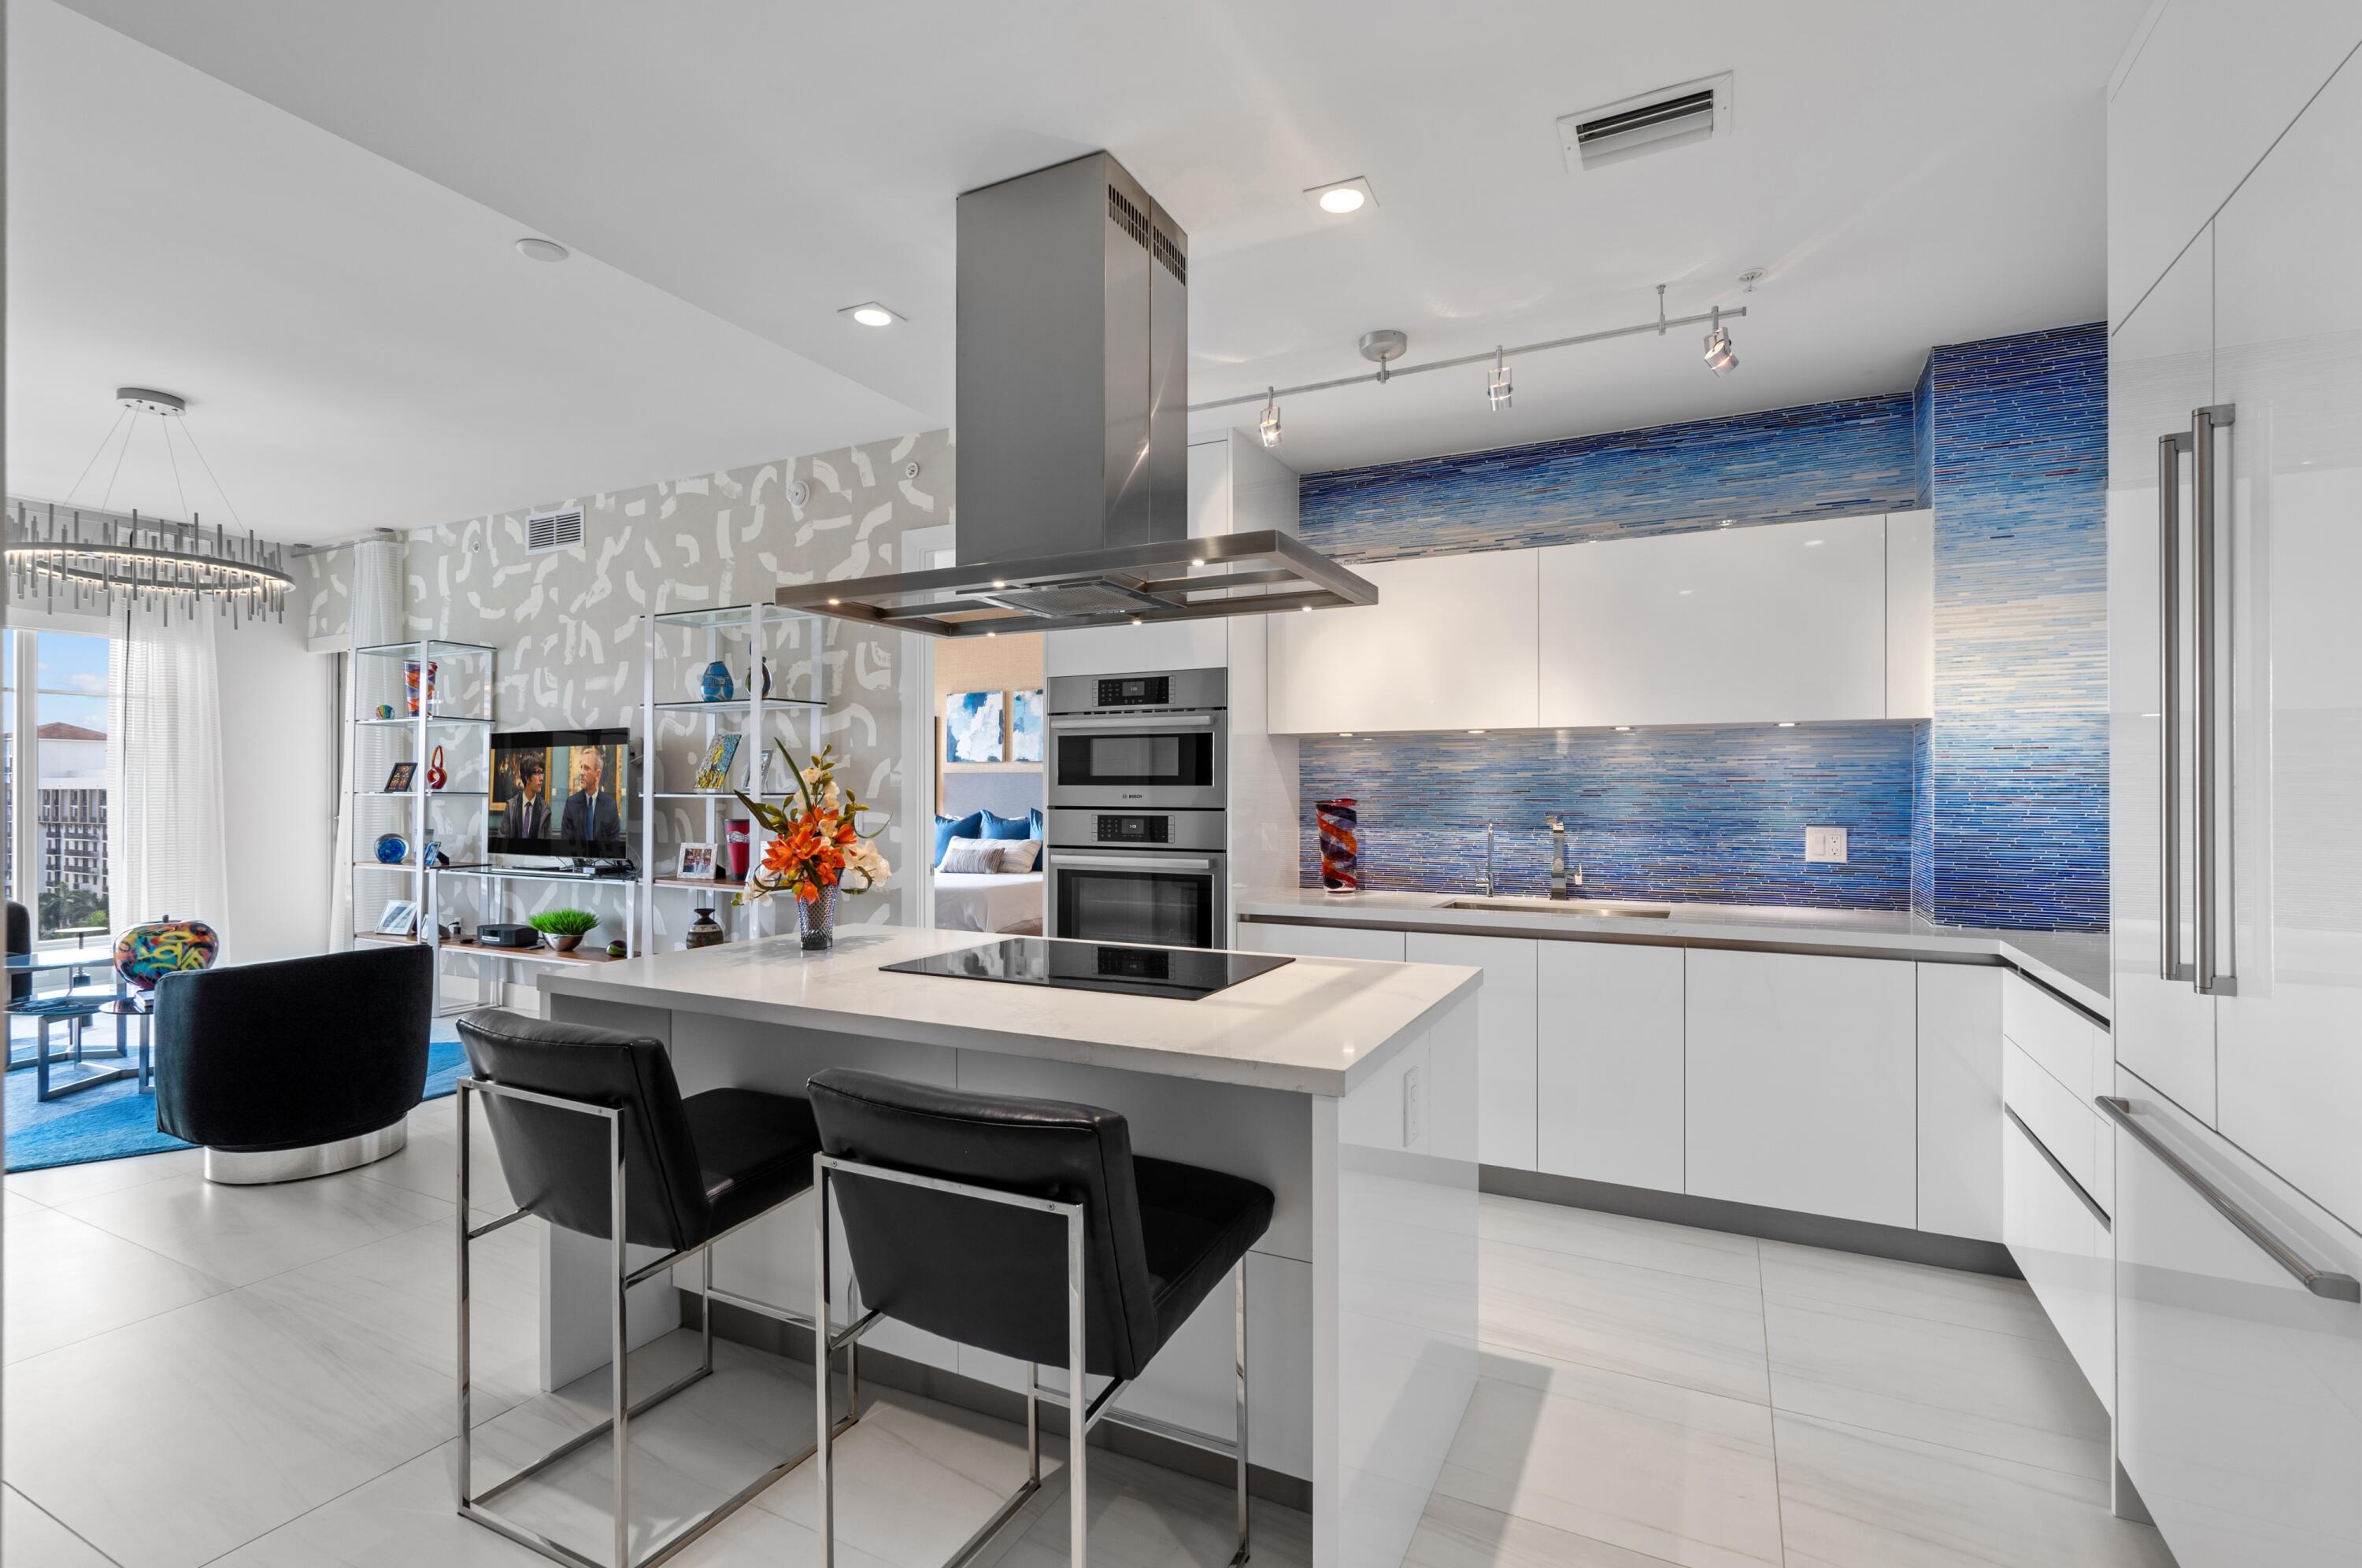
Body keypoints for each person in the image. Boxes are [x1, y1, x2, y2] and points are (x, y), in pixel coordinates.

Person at [558, 746, 623, 850]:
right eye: (581, 767)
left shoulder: (610, 805)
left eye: (587, 768)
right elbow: (565, 843)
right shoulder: (571, 804)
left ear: (597, 775)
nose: (582, 772)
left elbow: (614, 844)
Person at [503, 750, 550, 842]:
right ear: (527, 778)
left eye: (542, 773)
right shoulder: (511, 806)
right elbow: (502, 841)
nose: (541, 778)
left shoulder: (545, 810)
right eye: (537, 773)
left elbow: (547, 848)